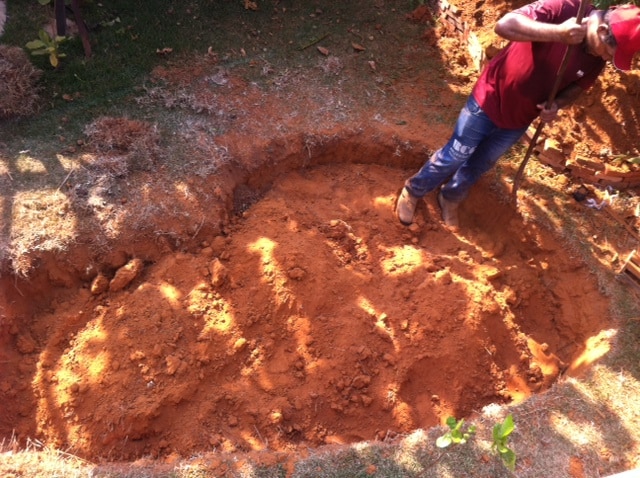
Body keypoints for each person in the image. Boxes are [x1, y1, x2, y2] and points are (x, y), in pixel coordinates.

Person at [395, 0, 640, 229]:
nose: (610, 60)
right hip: (489, 98)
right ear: (603, 31)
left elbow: (575, 90)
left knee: (481, 163)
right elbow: (504, 25)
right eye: (612, 53)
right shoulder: (565, 9)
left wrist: (556, 105)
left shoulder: (596, 61)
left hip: (519, 119)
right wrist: (559, 34)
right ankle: (414, 190)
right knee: (455, 155)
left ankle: (450, 197)